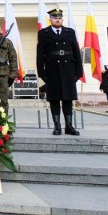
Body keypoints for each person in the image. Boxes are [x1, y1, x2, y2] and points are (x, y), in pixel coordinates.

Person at [36, 8, 84, 136]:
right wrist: (42, 73)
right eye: (55, 18)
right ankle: (57, 126)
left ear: (62, 19)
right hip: (52, 70)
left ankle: (69, 126)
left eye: (59, 18)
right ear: (50, 19)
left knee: (68, 99)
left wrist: (79, 71)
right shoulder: (43, 33)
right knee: (54, 99)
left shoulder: (70, 32)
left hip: (68, 69)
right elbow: (40, 55)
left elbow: (76, 52)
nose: (57, 20)